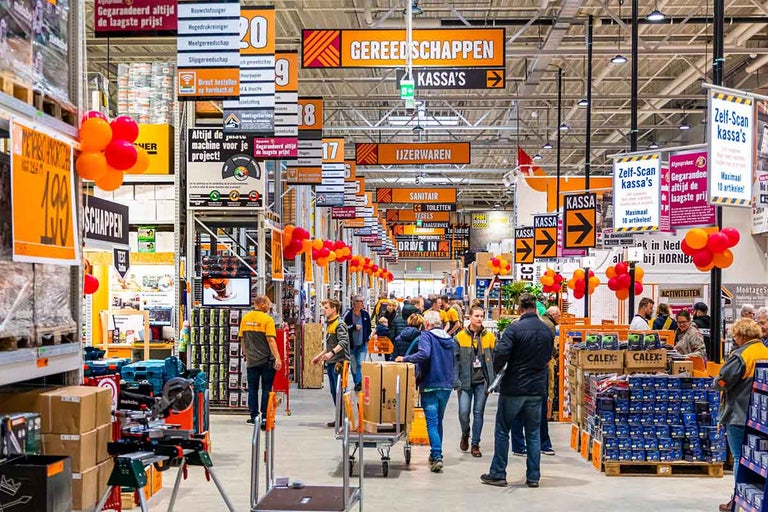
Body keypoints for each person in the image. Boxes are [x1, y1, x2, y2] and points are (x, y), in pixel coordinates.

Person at [481, 293, 554, 488]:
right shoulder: (547, 330)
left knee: (503, 429)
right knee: (533, 432)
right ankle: (533, 477)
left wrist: (499, 371)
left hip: (514, 388)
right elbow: (548, 356)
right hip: (536, 389)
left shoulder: (514, 329)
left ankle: (498, 473)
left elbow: (501, 354)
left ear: (520, 308)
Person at [715, 318, 768, 512]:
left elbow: (723, 380)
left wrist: (717, 384)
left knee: (739, 458)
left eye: (735, 335)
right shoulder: (765, 351)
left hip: (739, 414)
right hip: (762, 418)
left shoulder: (741, 355)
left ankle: (737, 499)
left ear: (742, 335)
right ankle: (756, 499)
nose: (734, 339)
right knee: (758, 462)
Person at [395, 310, 455, 473]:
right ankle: (435, 452)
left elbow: (424, 354)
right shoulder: (449, 339)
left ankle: (437, 456)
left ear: (427, 324)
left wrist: (405, 358)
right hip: (446, 385)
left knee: (432, 422)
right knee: (438, 421)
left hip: (430, 384)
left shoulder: (426, 336)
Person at [511, 306, 559, 457]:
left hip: (523, 377)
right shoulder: (543, 328)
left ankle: (521, 446)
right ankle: (541, 444)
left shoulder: (517, 327)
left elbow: (504, 352)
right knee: (537, 412)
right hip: (536, 376)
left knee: (520, 412)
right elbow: (551, 352)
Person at [454, 305, 496, 457]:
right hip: (464, 382)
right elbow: (455, 360)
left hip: (482, 382)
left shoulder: (490, 337)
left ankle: (475, 444)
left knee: (478, 413)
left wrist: (493, 381)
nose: (479, 319)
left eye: (481, 316)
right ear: (469, 317)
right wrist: (455, 380)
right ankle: (465, 433)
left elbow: (495, 360)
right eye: (476, 316)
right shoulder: (459, 337)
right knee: (463, 413)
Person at [239, 295, 282, 427]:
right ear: (262, 304)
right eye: (268, 304)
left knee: (252, 388)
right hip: (266, 360)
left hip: (252, 360)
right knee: (266, 389)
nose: (269, 306)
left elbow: (242, 339)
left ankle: (253, 416)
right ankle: (265, 416)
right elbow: (270, 339)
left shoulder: (245, 318)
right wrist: (278, 358)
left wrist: (246, 354)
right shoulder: (267, 319)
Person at [311, 299, 350, 427]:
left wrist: (331, 353)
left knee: (339, 391)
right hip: (332, 361)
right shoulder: (331, 324)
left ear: (334, 309)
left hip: (339, 362)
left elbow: (343, 342)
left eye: (326, 308)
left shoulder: (340, 324)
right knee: (334, 391)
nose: (324, 310)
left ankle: (343, 418)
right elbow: (330, 344)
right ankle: (339, 417)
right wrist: (319, 356)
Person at [344, 295, 371, 392]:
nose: (361, 303)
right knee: (354, 365)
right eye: (359, 301)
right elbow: (344, 327)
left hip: (362, 345)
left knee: (360, 364)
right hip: (351, 345)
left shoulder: (365, 315)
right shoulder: (348, 315)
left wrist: (367, 338)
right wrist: (354, 327)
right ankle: (357, 382)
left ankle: (359, 383)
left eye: (362, 301)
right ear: (354, 302)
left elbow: (368, 328)